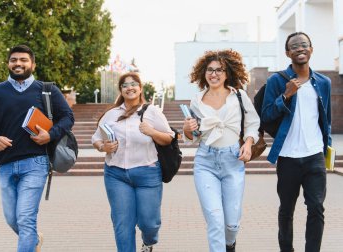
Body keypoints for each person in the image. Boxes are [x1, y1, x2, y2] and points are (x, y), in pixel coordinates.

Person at [0, 45, 74, 252]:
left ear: (33, 64)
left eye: (23, 60)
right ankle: (34, 240)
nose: (18, 63)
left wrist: (50, 134)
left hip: (35, 163)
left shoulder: (46, 89)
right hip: (5, 164)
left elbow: (68, 117)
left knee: (25, 217)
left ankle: (29, 241)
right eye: (13, 60)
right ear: (8, 63)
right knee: (13, 219)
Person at [182, 49, 260, 252]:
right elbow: (195, 136)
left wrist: (249, 143)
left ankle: (230, 244)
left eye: (219, 70)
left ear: (227, 74)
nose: (214, 74)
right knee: (215, 219)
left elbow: (253, 123)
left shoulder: (239, 96)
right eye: (210, 70)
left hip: (233, 160)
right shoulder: (197, 101)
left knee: (231, 222)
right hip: (205, 162)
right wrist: (187, 130)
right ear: (203, 73)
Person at [261, 32, 331, 252]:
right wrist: (286, 96)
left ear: (311, 49)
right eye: (294, 46)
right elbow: (266, 115)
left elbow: (325, 118)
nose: (300, 49)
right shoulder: (277, 81)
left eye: (304, 45)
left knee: (317, 208)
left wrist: (326, 148)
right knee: (286, 210)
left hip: (315, 156)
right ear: (287, 53)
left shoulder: (324, 82)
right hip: (288, 156)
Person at [92, 72, 173, 252]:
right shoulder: (111, 114)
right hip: (116, 174)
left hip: (148, 173)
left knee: (149, 223)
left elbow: (169, 138)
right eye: (125, 85)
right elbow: (96, 138)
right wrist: (102, 147)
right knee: (122, 223)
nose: (129, 87)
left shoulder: (152, 111)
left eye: (133, 84)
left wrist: (152, 132)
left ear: (140, 88)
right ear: (121, 90)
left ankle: (148, 242)